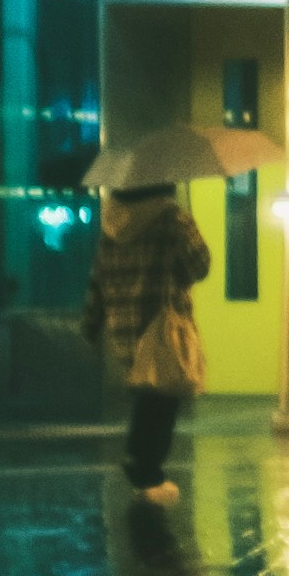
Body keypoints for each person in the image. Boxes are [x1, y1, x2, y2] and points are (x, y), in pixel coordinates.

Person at [79, 179, 210, 501]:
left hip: (124, 325)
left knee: (151, 393)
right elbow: (200, 265)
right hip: (160, 321)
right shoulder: (172, 219)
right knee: (166, 392)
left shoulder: (112, 225)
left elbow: (98, 276)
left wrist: (91, 323)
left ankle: (145, 471)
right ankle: (144, 468)